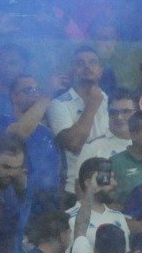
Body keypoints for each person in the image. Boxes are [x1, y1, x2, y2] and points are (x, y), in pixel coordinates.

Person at [47, 47, 113, 189]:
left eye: (92, 62)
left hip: (110, 183)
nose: (87, 67)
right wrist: (92, 105)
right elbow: (73, 144)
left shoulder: (112, 101)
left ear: (100, 70)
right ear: (72, 70)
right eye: (80, 63)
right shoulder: (59, 103)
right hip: (76, 186)